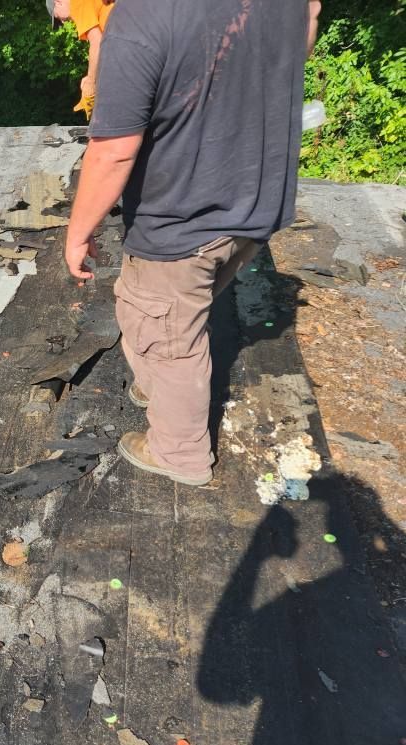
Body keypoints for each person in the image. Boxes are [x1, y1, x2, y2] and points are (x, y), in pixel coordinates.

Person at [63, 0, 323, 486]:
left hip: (185, 219)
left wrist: (78, 233)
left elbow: (113, 151)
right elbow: (303, 33)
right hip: (256, 206)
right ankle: (160, 384)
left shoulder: (141, 18)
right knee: (180, 308)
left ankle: (179, 453)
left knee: (162, 329)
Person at [47, 0, 116, 120]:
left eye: (58, 17)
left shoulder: (76, 3)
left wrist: (91, 83)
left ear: (58, 2)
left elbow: (97, 43)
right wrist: (93, 77)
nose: (63, 22)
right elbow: (106, 47)